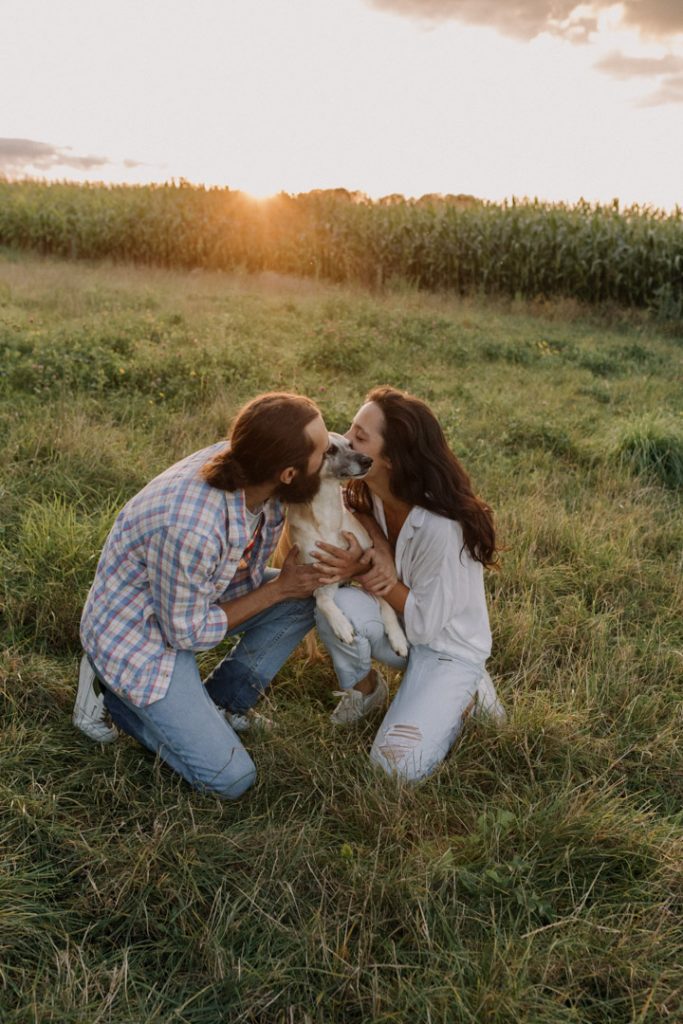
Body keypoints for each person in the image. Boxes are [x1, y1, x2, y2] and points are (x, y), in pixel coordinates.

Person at [73, 392, 329, 800]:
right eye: (323, 450)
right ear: (288, 474)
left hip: (200, 594)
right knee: (230, 778)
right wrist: (278, 588)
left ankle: (223, 703)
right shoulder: (191, 528)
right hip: (140, 635)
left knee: (306, 595)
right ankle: (114, 696)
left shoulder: (252, 463)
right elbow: (186, 634)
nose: (330, 453)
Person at [312, 386, 506, 782]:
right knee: (332, 606)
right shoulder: (369, 494)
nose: (347, 441)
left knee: (392, 772)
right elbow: (344, 507)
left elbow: (424, 627)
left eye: (361, 437)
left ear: (393, 458)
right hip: (400, 630)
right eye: (351, 429)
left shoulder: (441, 527)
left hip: (444, 649)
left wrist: (365, 571)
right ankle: (368, 692)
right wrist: (377, 547)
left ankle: (469, 693)